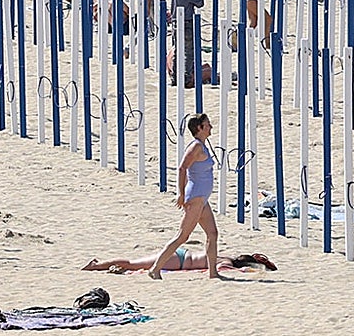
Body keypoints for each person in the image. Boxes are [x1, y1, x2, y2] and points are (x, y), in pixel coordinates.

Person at [148, 113, 219, 280]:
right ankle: (155, 268)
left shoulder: (203, 145)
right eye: (207, 125)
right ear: (199, 128)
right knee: (182, 236)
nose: (211, 127)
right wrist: (180, 193)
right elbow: (182, 168)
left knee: (212, 234)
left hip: (202, 198)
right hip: (195, 197)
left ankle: (213, 272)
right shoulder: (195, 147)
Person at [82, 250, 276, 274]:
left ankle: (99, 264)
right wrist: (249, 272)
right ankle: (96, 265)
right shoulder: (227, 263)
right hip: (179, 261)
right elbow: (220, 270)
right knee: (133, 264)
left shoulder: (225, 255)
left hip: (180, 256)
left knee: (134, 263)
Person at [169, 0, 203, 87]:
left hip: (175, 22)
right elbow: (200, 2)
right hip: (186, 22)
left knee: (177, 50)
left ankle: (175, 77)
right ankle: (186, 78)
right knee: (188, 52)